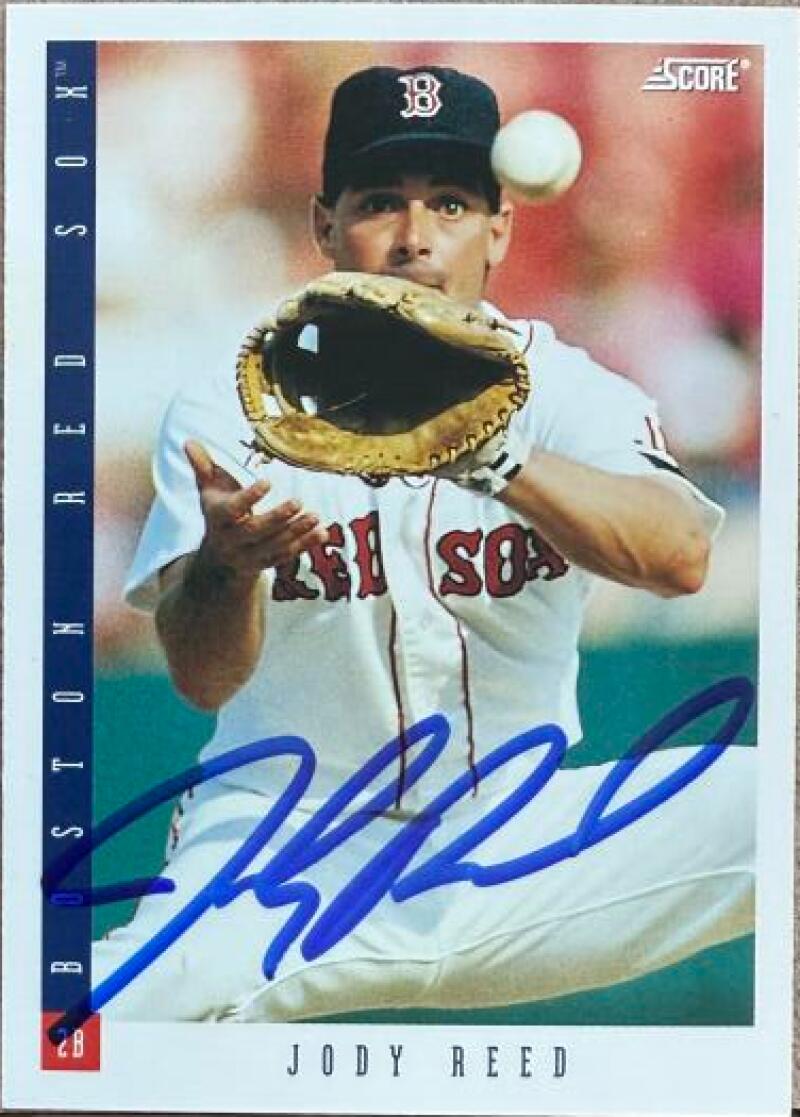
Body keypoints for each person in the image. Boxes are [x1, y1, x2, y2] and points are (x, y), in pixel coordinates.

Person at [94, 65, 755, 1022]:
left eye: (450, 202)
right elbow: (201, 678)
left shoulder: (567, 393)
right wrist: (224, 570)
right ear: (324, 226)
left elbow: (680, 554)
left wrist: (493, 453)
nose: (415, 237)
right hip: (283, 845)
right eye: (379, 203)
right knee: (94, 1025)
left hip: (524, 838)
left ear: (500, 228)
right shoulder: (233, 406)